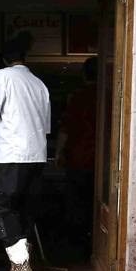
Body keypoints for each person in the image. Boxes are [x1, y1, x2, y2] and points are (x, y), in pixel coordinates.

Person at [0, 31, 51, 271]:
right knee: (22, 208)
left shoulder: (3, 76)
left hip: (9, 154)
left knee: (1, 207)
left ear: (4, 59)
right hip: (36, 155)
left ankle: (20, 266)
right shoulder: (39, 84)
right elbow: (45, 126)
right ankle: (23, 261)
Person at [55, 56, 99, 246]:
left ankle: (78, 244)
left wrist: (58, 153)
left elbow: (65, 128)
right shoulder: (109, 95)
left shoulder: (77, 97)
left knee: (77, 203)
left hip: (78, 158)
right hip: (103, 162)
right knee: (96, 205)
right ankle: (96, 242)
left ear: (83, 74)